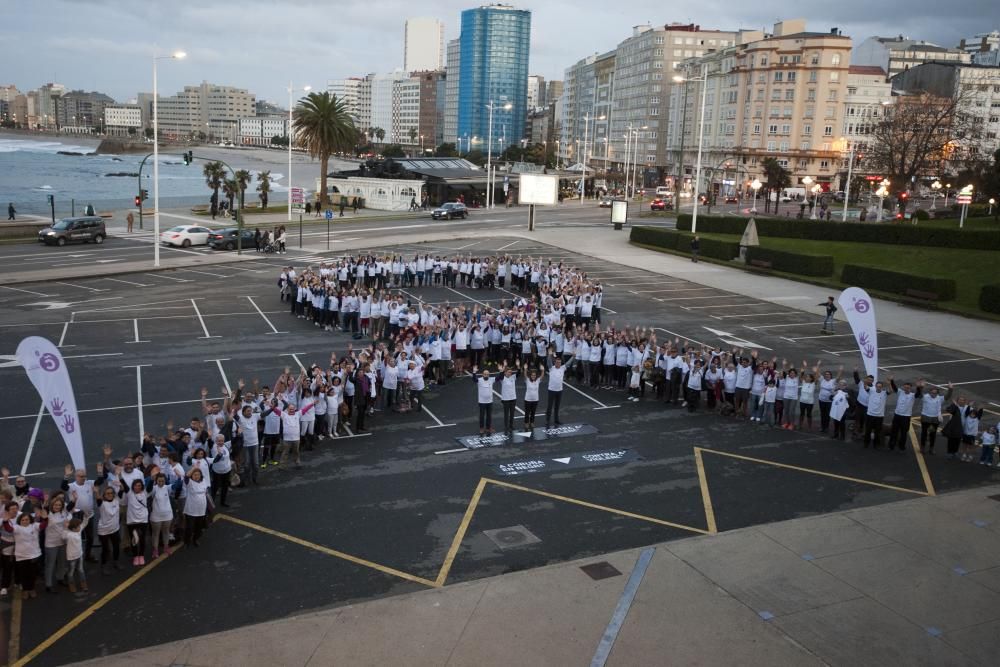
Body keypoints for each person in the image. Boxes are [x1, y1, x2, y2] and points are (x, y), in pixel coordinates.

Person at [473, 365, 497, 435]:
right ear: (482, 374)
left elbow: (500, 378)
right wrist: (474, 372)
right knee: (482, 415)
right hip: (482, 402)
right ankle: (481, 428)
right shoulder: (479, 380)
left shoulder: (491, 379)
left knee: (489, 416)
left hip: (490, 401)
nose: (486, 375)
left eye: (487, 374)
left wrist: (501, 371)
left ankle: (488, 428)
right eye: (485, 374)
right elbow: (474, 379)